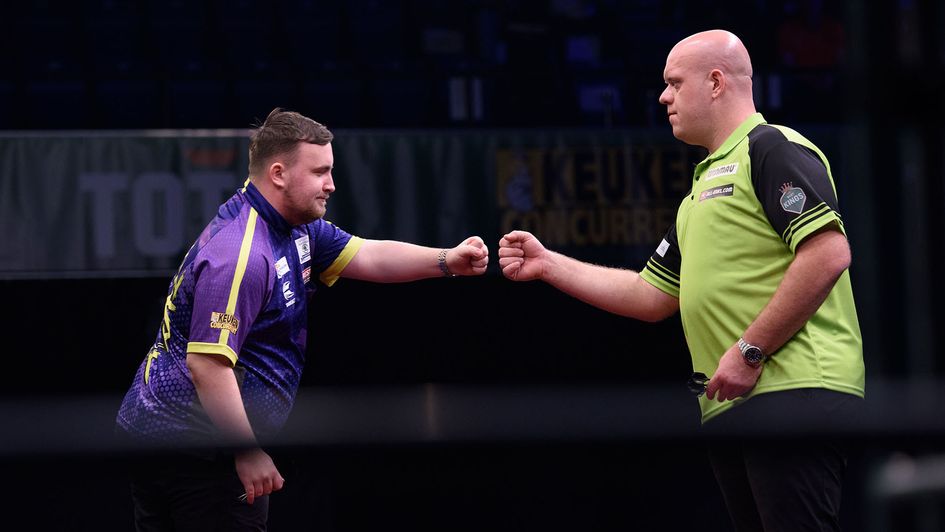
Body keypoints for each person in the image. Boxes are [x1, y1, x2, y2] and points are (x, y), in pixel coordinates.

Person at [498, 30, 864, 532]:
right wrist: (548, 264)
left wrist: (750, 350)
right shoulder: (698, 193)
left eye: (673, 83)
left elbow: (827, 253)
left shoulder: (770, 147)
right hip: (736, 400)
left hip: (790, 389)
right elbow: (651, 296)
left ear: (715, 83)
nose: (663, 97)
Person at [115, 107, 489, 531]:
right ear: (278, 173)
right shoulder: (241, 255)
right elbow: (208, 365)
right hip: (195, 448)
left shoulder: (295, 226)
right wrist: (247, 451)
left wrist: (447, 260)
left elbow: (367, 254)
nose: (331, 185)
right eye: (320, 172)